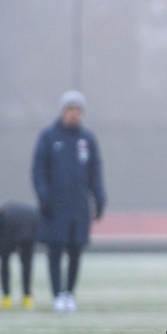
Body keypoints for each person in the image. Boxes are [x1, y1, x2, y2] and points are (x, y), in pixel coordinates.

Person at [32, 90, 106, 314]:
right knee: (54, 251)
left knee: (76, 251)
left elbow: (96, 171)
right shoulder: (48, 137)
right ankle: (57, 295)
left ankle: (69, 294)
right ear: (63, 111)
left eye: (77, 110)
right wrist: (43, 196)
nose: (74, 113)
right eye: (70, 109)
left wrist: (100, 197)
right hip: (55, 206)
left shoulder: (87, 139)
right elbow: (38, 170)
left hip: (79, 206)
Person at [0, 202, 38, 309]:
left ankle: (6, 298)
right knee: (27, 264)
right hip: (27, 230)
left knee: (4, 262)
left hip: (11, 229)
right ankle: (27, 298)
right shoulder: (32, 212)